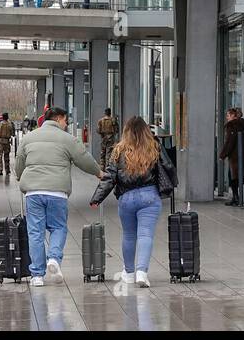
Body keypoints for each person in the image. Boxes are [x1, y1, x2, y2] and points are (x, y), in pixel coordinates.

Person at [15, 106, 103, 287]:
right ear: (58, 119)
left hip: (33, 192)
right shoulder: (67, 139)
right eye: (65, 121)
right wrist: (98, 173)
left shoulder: (29, 137)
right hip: (57, 192)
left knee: (35, 232)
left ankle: (37, 276)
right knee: (58, 227)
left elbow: (19, 161)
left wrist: (20, 176)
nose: (66, 125)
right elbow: (83, 158)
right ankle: (53, 258)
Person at [90, 116, 174, 288]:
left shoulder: (118, 150)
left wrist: (97, 198)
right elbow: (169, 167)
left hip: (127, 198)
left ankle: (128, 273)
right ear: (145, 131)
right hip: (149, 196)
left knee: (129, 235)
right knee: (145, 234)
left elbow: (110, 176)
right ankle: (142, 272)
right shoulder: (154, 146)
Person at [218, 107, 244, 206]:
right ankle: (235, 197)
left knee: (235, 176)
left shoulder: (232, 126)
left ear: (233, 116)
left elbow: (230, 142)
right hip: (243, 155)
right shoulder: (242, 124)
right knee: (235, 176)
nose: (227, 117)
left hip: (236, 156)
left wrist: (222, 155)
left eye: (228, 115)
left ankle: (241, 195)